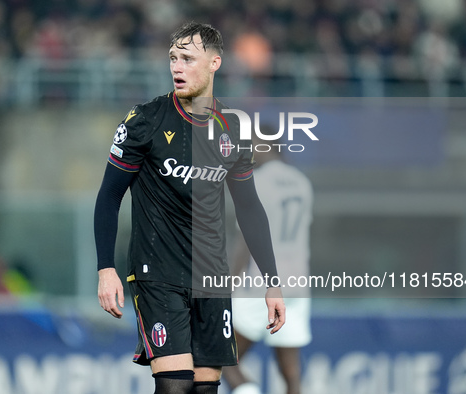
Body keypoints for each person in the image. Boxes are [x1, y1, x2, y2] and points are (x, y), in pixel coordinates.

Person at [94, 22, 285, 394]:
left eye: (187, 59)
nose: (177, 67)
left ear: (214, 63)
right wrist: (106, 268)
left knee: (204, 389)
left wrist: (272, 282)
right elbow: (108, 197)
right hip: (157, 273)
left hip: (212, 279)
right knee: (175, 388)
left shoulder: (231, 128)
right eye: (173, 58)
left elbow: (250, 209)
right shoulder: (145, 121)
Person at [223, 135, 313, 394]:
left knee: (222, 357)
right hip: (297, 283)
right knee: (291, 371)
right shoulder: (301, 182)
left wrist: (227, 285)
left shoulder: (257, 181)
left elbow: (245, 240)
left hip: (260, 283)